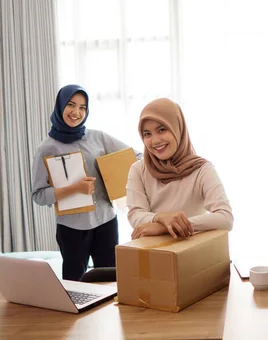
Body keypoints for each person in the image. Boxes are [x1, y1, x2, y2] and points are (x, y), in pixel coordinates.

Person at [31, 84, 142, 281]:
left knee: (111, 280)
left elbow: (133, 156)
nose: (76, 112)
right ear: (60, 106)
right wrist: (75, 189)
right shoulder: (46, 148)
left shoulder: (97, 137)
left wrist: (158, 158)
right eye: (71, 105)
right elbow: (39, 195)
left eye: (82, 107)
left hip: (105, 221)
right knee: (75, 284)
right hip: (71, 229)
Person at [127, 97, 234, 240]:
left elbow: (225, 218)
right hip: (152, 253)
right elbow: (135, 215)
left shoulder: (202, 170)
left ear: (178, 128)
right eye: (147, 134)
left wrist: (166, 226)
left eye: (162, 129)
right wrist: (162, 218)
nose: (155, 140)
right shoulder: (138, 170)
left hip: (190, 252)